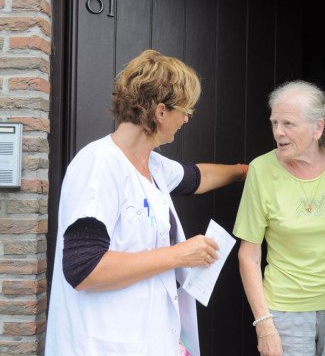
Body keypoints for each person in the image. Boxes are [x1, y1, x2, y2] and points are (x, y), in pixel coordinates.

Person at [45, 49, 248, 356]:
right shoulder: (99, 166)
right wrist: (179, 254)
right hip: (101, 343)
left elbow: (198, 177)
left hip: (145, 340)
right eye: (186, 110)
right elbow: (84, 269)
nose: (188, 118)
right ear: (161, 112)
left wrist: (247, 172)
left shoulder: (152, 165)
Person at [233, 80, 325, 356]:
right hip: (285, 311)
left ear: (317, 128)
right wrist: (264, 326)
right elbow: (248, 256)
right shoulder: (261, 171)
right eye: (274, 123)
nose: (278, 132)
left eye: (288, 124)